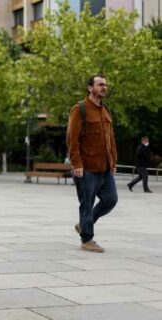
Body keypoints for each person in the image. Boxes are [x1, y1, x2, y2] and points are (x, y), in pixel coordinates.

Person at [66, 74, 118, 253]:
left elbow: (110, 139)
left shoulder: (105, 110)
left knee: (111, 200)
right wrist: (77, 164)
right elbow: (72, 140)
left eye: (105, 85)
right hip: (87, 167)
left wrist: (113, 161)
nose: (104, 87)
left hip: (105, 167)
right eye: (100, 84)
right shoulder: (79, 109)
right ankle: (87, 239)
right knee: (86, 203)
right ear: (90, 88)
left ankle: (83, 225)